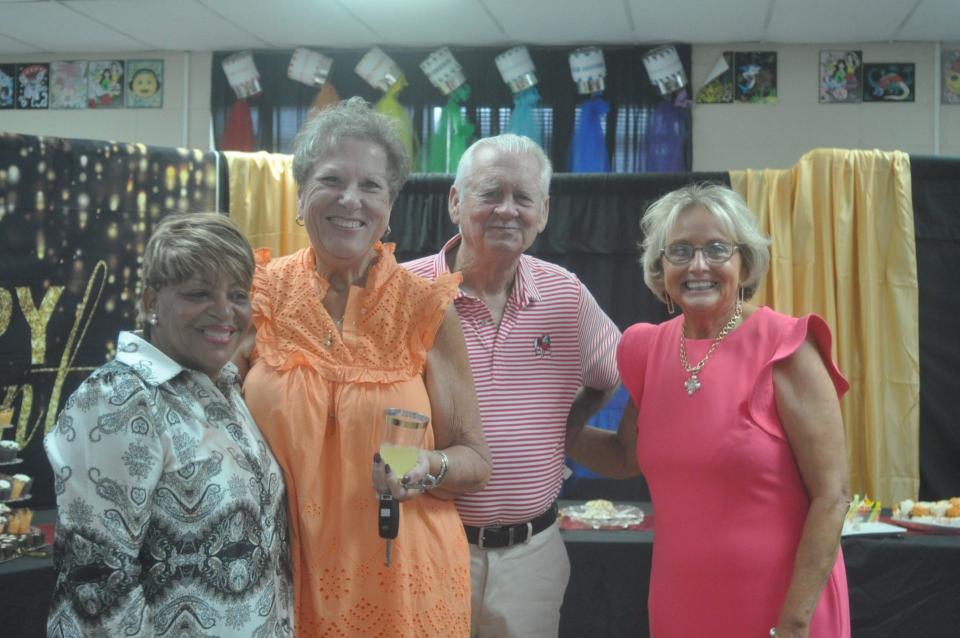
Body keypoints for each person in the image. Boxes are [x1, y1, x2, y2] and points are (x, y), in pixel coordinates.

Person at [240, 97, 491, 637]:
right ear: (300, 193)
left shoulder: (426, 309)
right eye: (331, 180)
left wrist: (427, 469)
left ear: (389, 206)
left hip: (400, 583)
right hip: (278, 578)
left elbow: (474, 458)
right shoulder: (256, 297)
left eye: (372, 185)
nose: (349, 199)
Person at [568, 183, 851, 637]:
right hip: (681, 605)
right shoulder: (645, 348)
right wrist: (548, 426)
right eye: (680, 251)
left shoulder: (787, 348)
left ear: (745, 261)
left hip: (782, 611)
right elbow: (625, 457)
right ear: (660, 267)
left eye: (716, 248)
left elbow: (832, 495)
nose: (698, 266)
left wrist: (795, 625)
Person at [404, 134, 621, 637]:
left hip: (532, 557)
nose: (507, 210)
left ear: (543, 212)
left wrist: (561, 435)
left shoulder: (565, 295)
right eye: (490, 194)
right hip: (427, 545)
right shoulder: (404, 293)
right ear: (456, 201)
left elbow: (609, 375)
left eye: (523, 198)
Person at [45, 213, 293, 637]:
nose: (224, 312)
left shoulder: (227, 387)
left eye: (238, 294)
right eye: (199, 293)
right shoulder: (119, 398)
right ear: (149, 302)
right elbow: (100, 587)